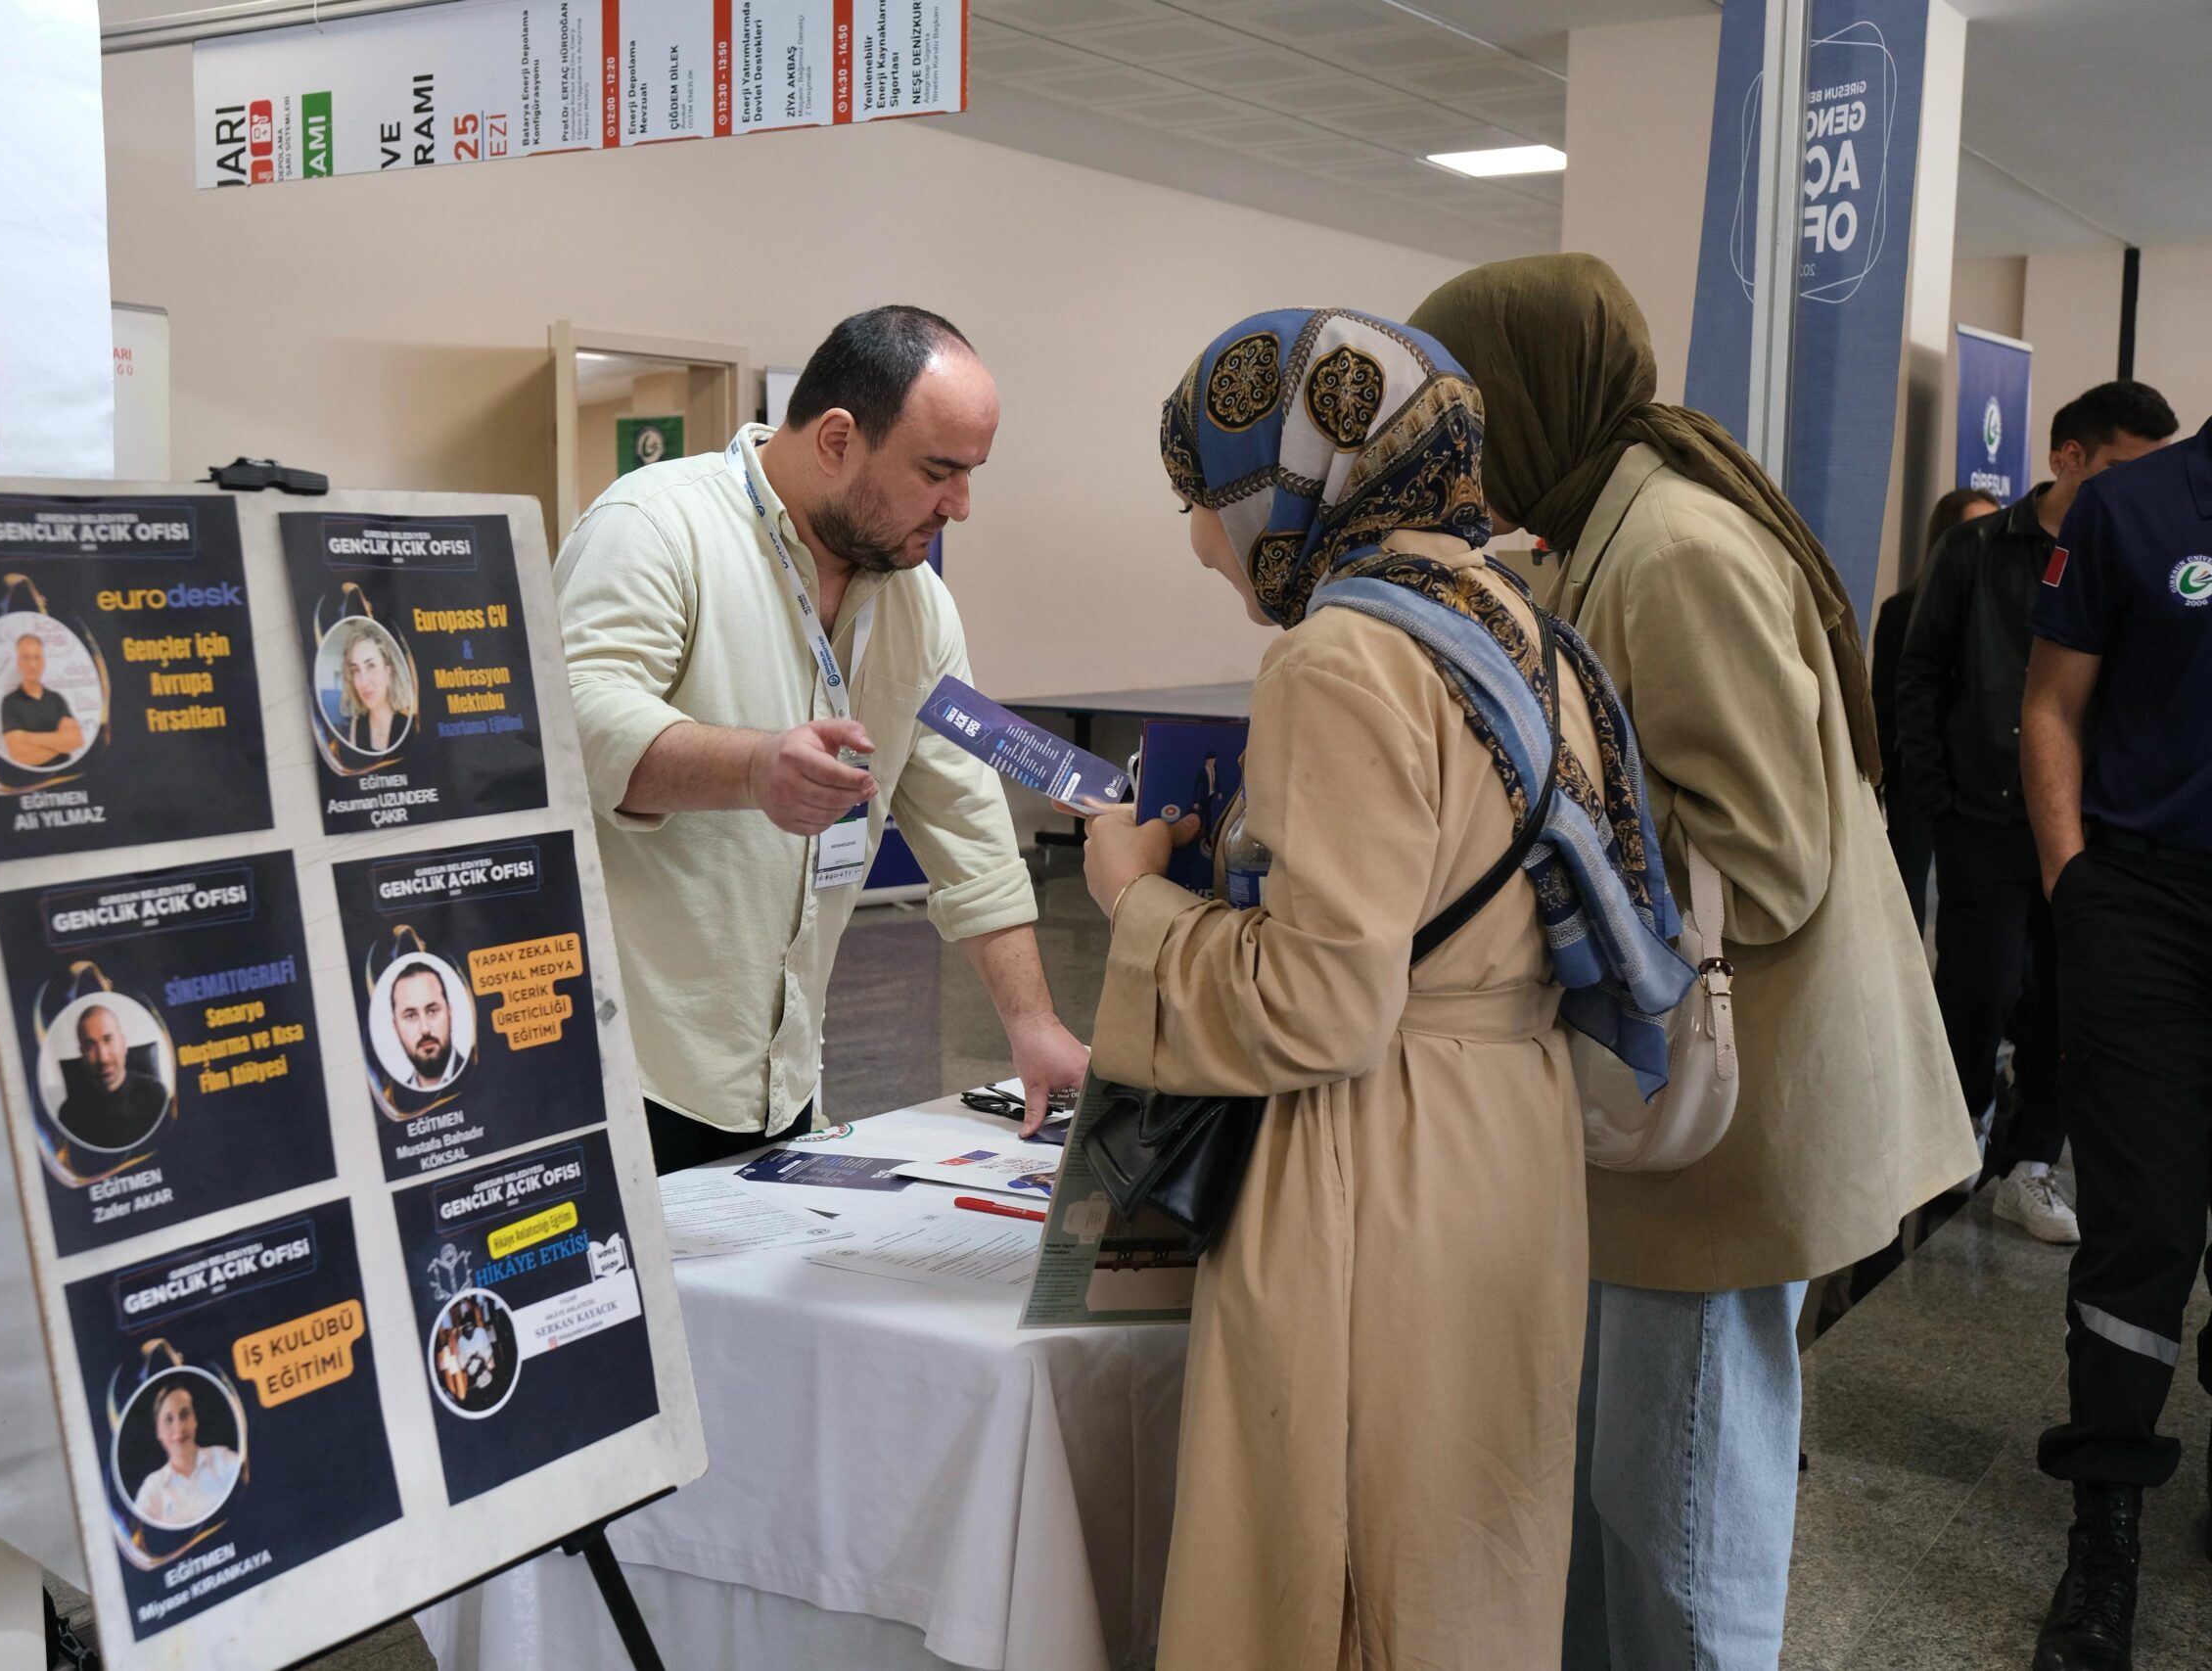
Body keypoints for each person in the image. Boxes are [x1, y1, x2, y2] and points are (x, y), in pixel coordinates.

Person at [1083, 308, 1692, 1669]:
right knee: (1472, 1533)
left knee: (1339, 1560)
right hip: (1509, 1138)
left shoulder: (1343, 651)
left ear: (1291, 477)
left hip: (1380, 1149)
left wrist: (1137, 897)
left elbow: (1322, 1002)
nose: (1200, 539)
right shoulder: (1523, 628)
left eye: (1206, 495)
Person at [1406, 254, 1977, 1671]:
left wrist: (1531, 827)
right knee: (1626, 1489)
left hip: (1738, 1124)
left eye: (1463, 420)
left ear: (1528, 399)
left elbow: (1768, 856)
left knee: (1682, 1512)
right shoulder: (1604, 528)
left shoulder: (1674, 549)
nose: (1452, 461)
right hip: (1682, 1115)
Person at [555, 306, 1086, 1174]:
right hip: (627, 1076)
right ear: (837, 439)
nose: (961, 506)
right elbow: (574, 724)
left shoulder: (918, 605)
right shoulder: (656, 526)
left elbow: (969, 826)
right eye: (939, 472)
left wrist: (1034, 1026)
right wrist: (754, 766)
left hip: (787, 1081)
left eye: (971, 474)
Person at [1898, 382, 2179, 1245]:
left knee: (2067, 1002)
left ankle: (2028, 1164)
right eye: (2126, 468)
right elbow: (1919, 677)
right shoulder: (1977, 550)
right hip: (1982, 818)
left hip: (2088, 827)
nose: (2143, 489)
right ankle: (1949, 1147)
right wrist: (1939, 798)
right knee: (1975, 993)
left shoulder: (2134, 551)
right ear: (2069, 457)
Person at [2020, 411, 2212, 1671]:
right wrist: (2073, 891)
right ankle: (2105, 1534)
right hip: (2145, 910)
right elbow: (2049, 708)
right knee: (2142, 1225)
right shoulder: (2133, 508)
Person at [1875, 487, 2000, 929]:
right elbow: (1887, 704)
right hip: (1919, 779)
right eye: (1977, 528)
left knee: (1972, 912)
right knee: (1906, 895)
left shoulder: (2006, 615)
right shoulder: (1901, 612)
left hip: (1978, 786)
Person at [62, 1001, 169, 1150]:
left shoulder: (157, 1095)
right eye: (90, 1046)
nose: (103, 1058)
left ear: (123, 1044)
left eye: (108, 1039)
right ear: (83, 1055)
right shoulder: (69, 1113)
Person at [131, 1383, 239, 1527]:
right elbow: (136, 1536)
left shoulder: (222, 1459)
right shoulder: (153, 1487)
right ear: (158, 1432)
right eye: (168, 1420)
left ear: (194, 1420)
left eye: (184, 1414)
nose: (179, 1428)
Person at [330, 618, 415, 755]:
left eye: (371, 666)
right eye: (356, 670)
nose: (363, 681)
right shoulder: (357, 726)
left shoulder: (409, 727)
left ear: (388, 672)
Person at [0, 631, 83, 767]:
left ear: (43, 662)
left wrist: (29, 738)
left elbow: (77, 740)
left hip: (66, 775)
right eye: (26, 658)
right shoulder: (10, 703)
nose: (32, 664)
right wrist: (62, 742)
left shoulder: (57, 699)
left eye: (37, 657)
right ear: (19, 663)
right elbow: (20, 756)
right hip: (32, 783)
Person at [388, 961, 463, 1091]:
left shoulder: (483, 1075)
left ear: (449, 1013)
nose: (425, 1029)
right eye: (411, 1016)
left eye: (432, 1011)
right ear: (396, 1027)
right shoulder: (397, 1102)